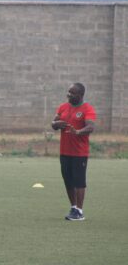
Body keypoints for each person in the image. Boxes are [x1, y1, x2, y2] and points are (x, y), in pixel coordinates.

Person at [51, 83, 96, 221]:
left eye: (72, 93)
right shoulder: (63, 107)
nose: (69, 95)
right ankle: (73, 207)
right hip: (65, 151)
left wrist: (78, 132)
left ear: (81, 95)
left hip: (79, 153)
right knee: (68, 180)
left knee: (79, 182)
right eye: (68, 92)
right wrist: (56, 124)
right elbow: (53, 123)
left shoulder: (87, 109)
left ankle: (79, 211)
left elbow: (90, 127)